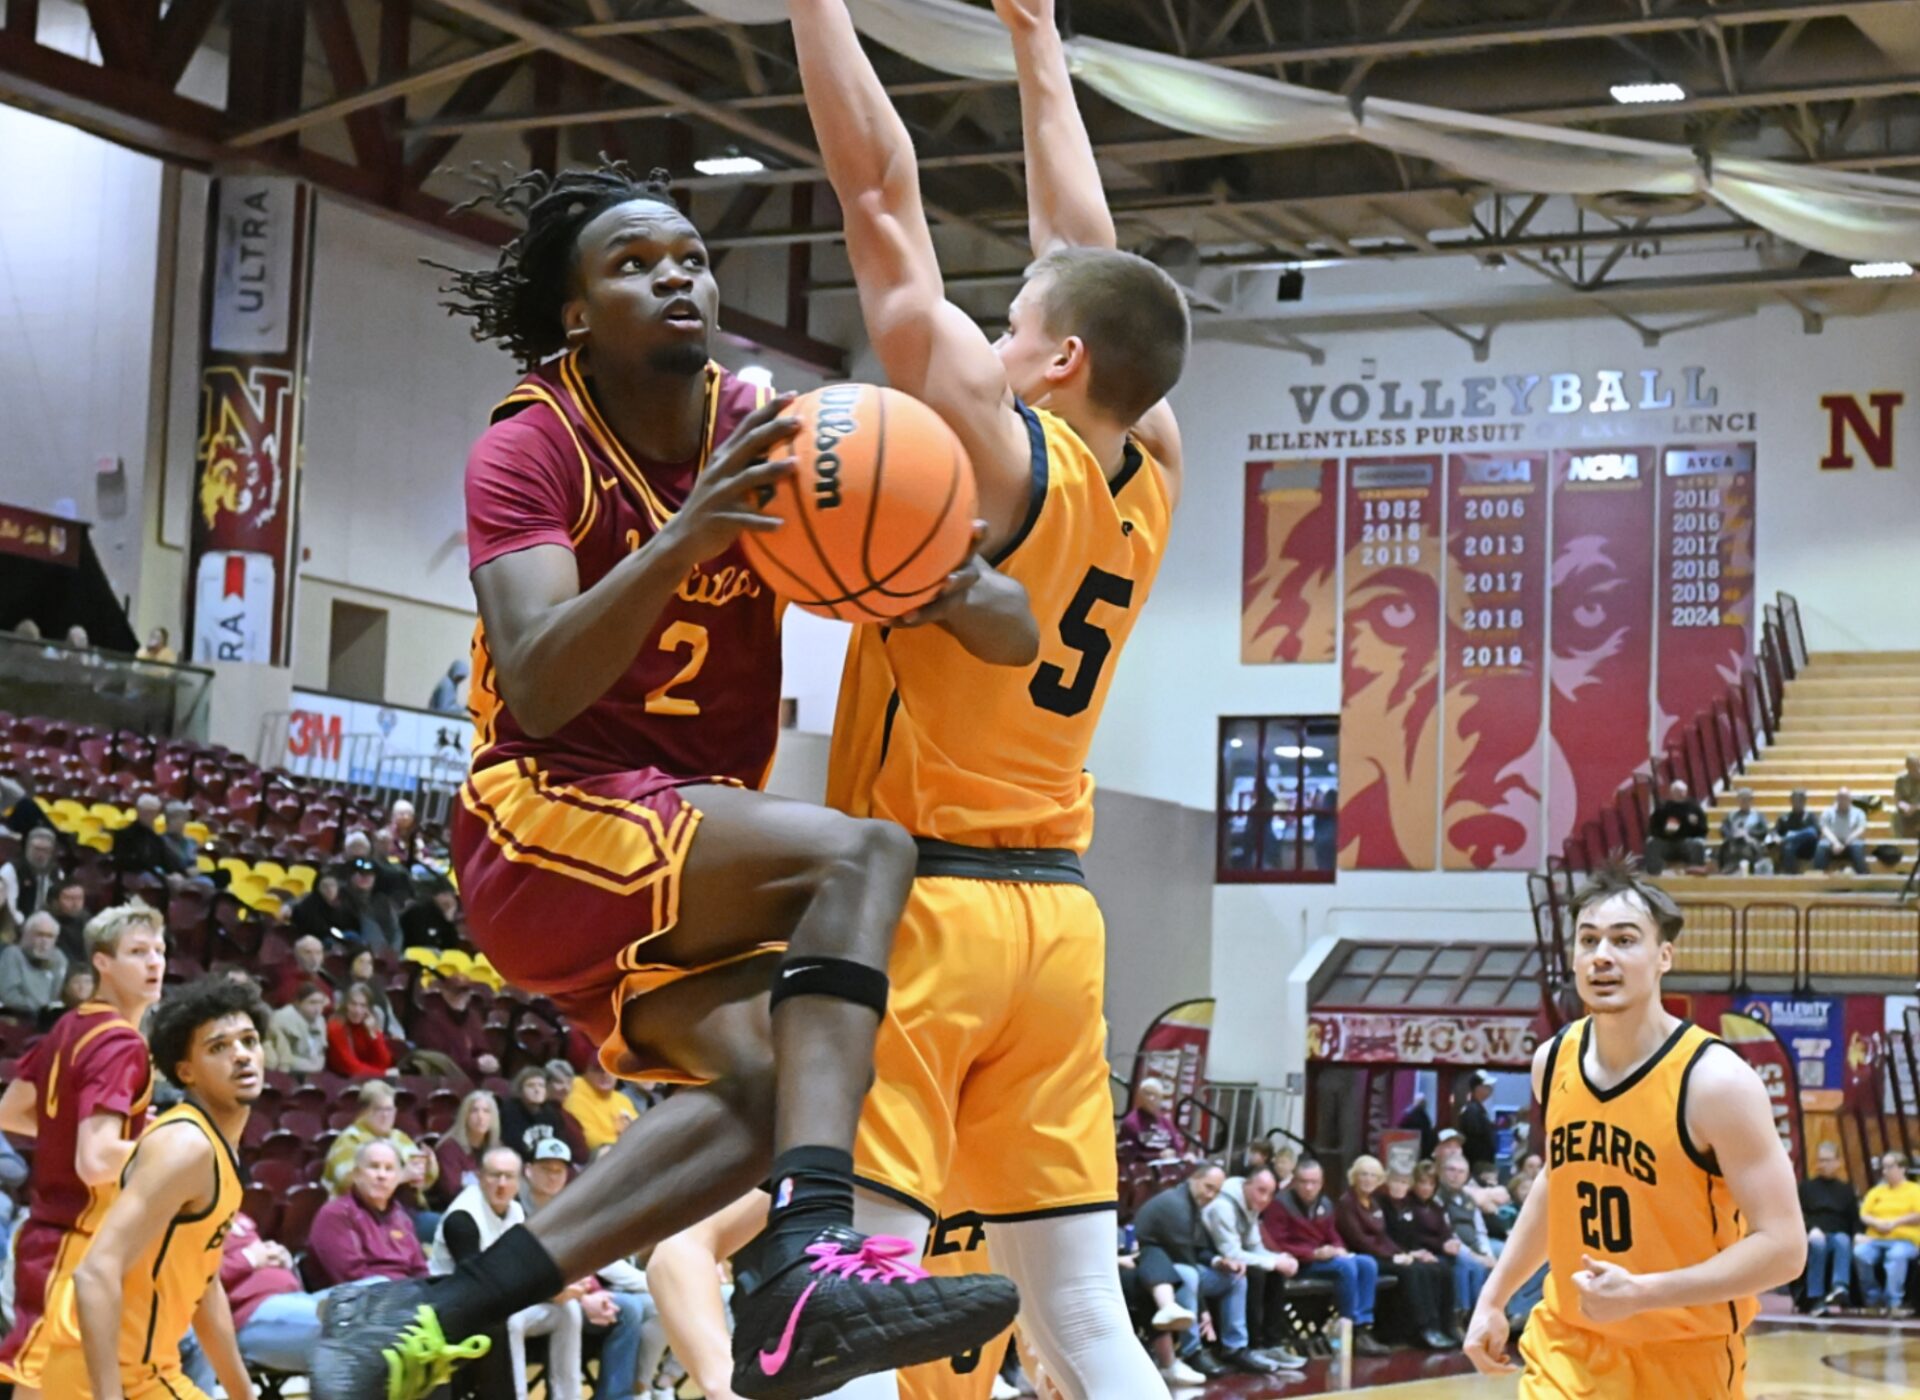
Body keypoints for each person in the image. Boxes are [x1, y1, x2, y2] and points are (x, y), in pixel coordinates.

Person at [315, 159, 1011, 1400]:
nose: (675, 274)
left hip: (673, 848)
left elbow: (1011, 634)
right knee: (867, 851)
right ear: (577, 312)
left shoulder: (783, 431)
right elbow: (534, 680)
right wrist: (691, 531)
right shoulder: (532, 446)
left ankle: (439, 1311)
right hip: (545, 820)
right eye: (633, 263)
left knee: (762, 1084)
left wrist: (957, 583)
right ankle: (805, 1249)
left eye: (690, 255)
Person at [790, 1, 1191, 1396]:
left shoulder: (1008, 460)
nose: (1003, 333)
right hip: (1061, 923)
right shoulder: (1156, 466)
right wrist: (1037, 42)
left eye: (1017, 327)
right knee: (1084, 1319)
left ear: (1060, 363)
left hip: (931, 909)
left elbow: (877, 193)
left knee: (858, 1300)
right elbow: (1088, 258)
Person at [1464, 862, 1805, 1395]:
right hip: (1568, 1344)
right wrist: (1494, 1297)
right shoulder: (1552, 1062)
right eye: (1589, 940)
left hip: (1682, 1357)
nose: (1603, 956)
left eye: (1625, 940)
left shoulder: (1715, 1083)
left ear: (1663, 956)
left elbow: (1785, 1247)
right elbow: (1559, 1184)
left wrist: (1645, 1292)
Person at [38, 976, 267, 1400]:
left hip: (117, 1368)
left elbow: (205, 1287)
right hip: (115, 1376)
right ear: (186, 1072)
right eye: (218, 1047)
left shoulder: (215, 1149)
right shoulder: (187, 1146)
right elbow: (95, 1272)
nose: (240, 1055)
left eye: (249, 1041)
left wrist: (243, 1394)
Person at [0, 902, 165, 1397]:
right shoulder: (120, 1043)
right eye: (138, 952)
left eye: (160, 950)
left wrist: (100, 1135)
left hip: (48, 1234)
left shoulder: (70, 1026)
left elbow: (10, 1111)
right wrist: (160, 1145)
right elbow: (95, 1162)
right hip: (77, 1239)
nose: (155, 962)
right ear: (101, 962)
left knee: (46, 1380)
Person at [433, 1146, 583, 1400]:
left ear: (519, 1180)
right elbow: (475, 1289)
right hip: (456, 1308)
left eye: (509, 1176)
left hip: (500, 1300)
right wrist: (545, 1292)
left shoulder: (514, 1211)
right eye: (495, 1175)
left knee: (569, 1310)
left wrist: (556, 1291)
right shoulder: (462, 1217)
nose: (502, 1184)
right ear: (479, 1177)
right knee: (508, 1320)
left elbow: (526, 1268)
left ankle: (568, 1396)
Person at [1132, 1164, 1281, 1378]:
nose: (1211, 1195)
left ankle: (1235, 1347)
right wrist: (1203, 1312)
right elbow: (1186, 1258)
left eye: (1216, 1191)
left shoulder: (1193, 1203)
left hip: (1177, 1264)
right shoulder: (1177, 1206)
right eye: (1208, 1187)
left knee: (1236, 1276)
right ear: (1194, 1179)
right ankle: (1192, 1351)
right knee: (1190, 1276)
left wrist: (1219, 1261)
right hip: (1154, 1269)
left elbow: (1198, 1249)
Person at [1261, 1158, 1391, 1355]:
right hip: (1296, 1263)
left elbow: (1333, 1234)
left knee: (1367, 1263)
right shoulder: (1280, 1204)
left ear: (1321, 1183)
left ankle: (1363, 1326)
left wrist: (1339, 1248)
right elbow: (1275, 1243)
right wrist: (1312, 1254)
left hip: (1322, 1258)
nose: (1309, 1187)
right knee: (1345, 1267)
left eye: (1314, 1182)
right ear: (1295, 1182)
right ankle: (1348, 1326)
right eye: (1304, 1182)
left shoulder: (1325, 1203)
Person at [1335, 1155, 1457, 1350]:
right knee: (1412, 1270)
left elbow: (1383, 1237)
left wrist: (1404, 1253)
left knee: (1431, 1267)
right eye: (1364, 1175)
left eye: (1373, 1176)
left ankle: (1442, 1324)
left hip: (1380, 1255)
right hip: (1363, 1258)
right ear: (1354, 1176)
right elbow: (1360, 1239)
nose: (1368, 1179)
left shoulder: (1371, 1202)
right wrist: (1394, 1257)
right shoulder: (1347, 1202)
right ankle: (1422, 1328)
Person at [1199, 1166, 1307, 1370]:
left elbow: (1254, 1246)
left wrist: (1279, 1259)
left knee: (1274, 1273)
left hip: (1228, 1260)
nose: (1265, 1198)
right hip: (1207, 1260)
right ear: (1246, 1185)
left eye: (1270, 1193)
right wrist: (1273, 1262)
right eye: (1261, 1190)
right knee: (1254, 1273)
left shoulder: (1250, 1204)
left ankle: (1271, 1344)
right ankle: (1252, 1346)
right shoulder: (1222, 1206)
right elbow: (1231, 1253)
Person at [309, 1141, 438, 1291]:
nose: (381, 1175)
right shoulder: (335, 1214)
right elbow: (351, 1279)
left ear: (398, 1178)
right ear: (356, 1174)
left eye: (389, 1169)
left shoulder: (401, 1217)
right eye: (374, 1166)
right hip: (357, 1304)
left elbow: (419, 1270)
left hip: (406, 1300)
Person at [220, 1210, 330, 1374]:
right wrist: (249, 1258)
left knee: (378, 1289)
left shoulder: (237, 1215)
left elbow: (261, 1255)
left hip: (295, 1299)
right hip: (249, 1314)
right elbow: (198, 1279)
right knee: (347, 1325)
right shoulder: (189, 1221)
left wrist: (281, 1257)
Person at [324, 1081, 440, 1207]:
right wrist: (401, 1176)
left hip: (405, 1210)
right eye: (379, 1109)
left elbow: (421, 1182)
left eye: (389, 1109)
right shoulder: (349, 1140)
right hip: (359, 1213)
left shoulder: (399, 1137)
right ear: (364, 1112)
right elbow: (352, 1185)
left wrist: (429, 1168)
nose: (386, 1116)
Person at [1853, 1151, 1920, 1316]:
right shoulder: (1877, 1191)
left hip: (1905, 1239)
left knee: (1896, 1256)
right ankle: (1874, 1300)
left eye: (1890, 1167)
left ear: (1903, 1169)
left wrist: (1895, 1222)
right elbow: (1864, 1213)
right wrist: (1877, 1223)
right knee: (1860, 1253)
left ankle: (1894, 1303)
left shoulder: (1915, 1190)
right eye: (1883, 1168)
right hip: (1876, 1238)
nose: (1885, 1172)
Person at [1799, 1140, 1859, 1315]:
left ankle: (1839, 1287)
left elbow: (1854, 1218)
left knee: (1843, 1240)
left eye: (1828, 1160)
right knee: (1818, 1244)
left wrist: (1858, 1234)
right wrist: (1810, 1229)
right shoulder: (1806, 1187)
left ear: (1838, 1162)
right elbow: (1799, 1214)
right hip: (1815, 1233)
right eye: (1821, 1160)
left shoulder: (1846, 1189)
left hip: (1838, 1233)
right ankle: (1815, 1299)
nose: (1823, 1164)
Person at [498, 1064, 587, 1164]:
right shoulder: (510, 1111)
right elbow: (514, 1147)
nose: (537, 1090)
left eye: (541, 1085)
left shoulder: (551, 1113)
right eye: (531, 1085)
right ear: (520, 1090)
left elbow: (561, 1144)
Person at [435, 1090, 505, 1211]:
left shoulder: (497, 1148)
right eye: (474, 1111)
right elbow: (451, 1192)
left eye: (486, 1111)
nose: (480, 1116)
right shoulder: (448, 1149)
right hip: (458, 1210)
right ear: (464, 1116)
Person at [0, 912, 67, 1024]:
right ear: (27, 935)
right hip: (17, 1017)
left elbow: (56, 996)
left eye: (50, 936)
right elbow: (9, 996)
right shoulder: (13, 954)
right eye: (39, 935)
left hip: (47, 1019)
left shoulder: (59, 958)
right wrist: (39, 1007)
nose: (44, 941)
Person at [111, 793, 190, 881]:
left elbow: (167, 860)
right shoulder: (124, 834)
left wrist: (180, 873)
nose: (150, 816)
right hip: (133, 876)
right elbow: (125, 862)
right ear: (138, 811)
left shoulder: (155, 838)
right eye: (146, 812)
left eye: (153, 813)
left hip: (153, 875)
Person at [564, 1060, 638, 1153]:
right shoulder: (575, 1098)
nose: (605, 1075)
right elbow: (591, 1140)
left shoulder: (623, 1099)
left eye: (610, 1070)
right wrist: (626, 1142)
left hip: (628, 1151)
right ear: (587, 1072)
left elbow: (641, 1130)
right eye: (598, 1070)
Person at [327, 980, 396, 1077]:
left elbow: (384, 1062)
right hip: (341, 1079)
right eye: (353, 1004)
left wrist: (373, 1035)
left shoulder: (369, 1023)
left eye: (363, 1005)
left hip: (367, 1077)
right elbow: (350, 1067)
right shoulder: (335, 1027)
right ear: (346, 1004)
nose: (357, 1011)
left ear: (368, 1008)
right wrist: (383, 1074)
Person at [1643, 779, 1708, 875]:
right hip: (1667, 843)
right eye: (1677, 791)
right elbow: (1653, 829)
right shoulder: (1663, 809)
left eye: (1682, 791)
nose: (1680, 794)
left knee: (1698, 844)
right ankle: (1654, 872)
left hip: (1687, 843)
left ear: (1686, 792)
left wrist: (1694, 826)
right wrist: (1665, 832)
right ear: (1671, 793)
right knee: (1652, 843)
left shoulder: (1694, 808)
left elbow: (1703, 830)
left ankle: (1696, 869)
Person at [1117, 1077, 1191, 1161]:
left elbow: (1177, 1148)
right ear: (1139, 1097)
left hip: (1168, 1167)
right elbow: (1129, 1155)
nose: (1151, 1098)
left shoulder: (1165, 1122)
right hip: (1143, 1170)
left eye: (1155, 1095)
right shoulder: (1131, 1123)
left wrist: (1184, 1156)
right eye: (1147, 1093)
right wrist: (1158, 1155)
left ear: (1161, 1099)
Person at [267, 980, 332, 1074]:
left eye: (320, 1003)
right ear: (298, 1003)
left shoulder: (320, 1020)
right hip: (285, 1073)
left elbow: (320, 1053)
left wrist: (317, 1065)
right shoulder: (282, 1018)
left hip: (314, 1071)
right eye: (312, 1002)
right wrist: (312, 1066)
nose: (318, 1008)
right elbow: (281, 1057)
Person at [3, 827, 62, 925]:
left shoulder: (56, 872)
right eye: (37, 849)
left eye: (45, 850)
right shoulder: (11, 870)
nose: (40, 855)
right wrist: (25, 924)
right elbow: (8, 906)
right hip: (16, 923)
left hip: (47, 923)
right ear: (28, 847)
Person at [291, 875, 358, 949]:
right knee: (329, 942)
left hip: (339, 934)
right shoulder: (310, 904)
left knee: (353, 935)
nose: (329, 889)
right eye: (324, 886)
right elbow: (318, 929)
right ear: (318, 888)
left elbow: (351, 922)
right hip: (319, 938)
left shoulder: (345, 900)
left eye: (332, 885)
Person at [1715, 788, 1772, 873]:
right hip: (1733, 843)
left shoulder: (1758, 815)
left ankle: (1748, 870)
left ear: (1751, 800)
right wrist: (1733, 834)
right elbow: (1723, 829)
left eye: (1747, 799)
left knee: (1747, 849)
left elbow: (1764, 830)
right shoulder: (1731, 815)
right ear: (1738, 800)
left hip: (1751, 843)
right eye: (1741, 799)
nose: (1744, 802)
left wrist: (1748, 833)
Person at [1815, 787, 1870, 875]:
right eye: (1840, 798)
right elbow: (1824, 828)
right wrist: (1835, 842)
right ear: (1836, 799)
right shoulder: (1828, 812)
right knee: (1821, 846)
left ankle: (1863, 876)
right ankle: (1817, 875)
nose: (1843, 801)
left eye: (1845, 798)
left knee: (1857, 846)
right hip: (1832, 843)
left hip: (1851, 842)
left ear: (1850, 800)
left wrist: (1848, 840)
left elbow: (1861, 829)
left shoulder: (1859, 813)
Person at [401, 879, 465, 952]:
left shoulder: (447, 919)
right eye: (444, 894)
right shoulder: (419, 913)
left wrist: (449, 919)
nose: (448, 899)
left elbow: (451, 946)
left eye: (451, 895)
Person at [1457, 1071, 1498, 1169]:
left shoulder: (1479, 1110)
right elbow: (1474, 1142)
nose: (1490, 1090)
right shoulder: (1472, 1111)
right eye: (1487, 1086)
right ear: (1478, 1088)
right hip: (1478, 1164)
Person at [1774, 789, 1821, 874]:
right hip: (1791, 849)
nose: (1798, 802)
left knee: (1810, 831)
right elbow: (1774, 832)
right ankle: (1790, 877)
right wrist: (1776, 837)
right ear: (1791, 801)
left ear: (1805, 801)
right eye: (1796, 800)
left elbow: (1816, 833)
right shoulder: (1784, 817)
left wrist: (1790, 837)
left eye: (1801, 800)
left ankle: (1788, 838)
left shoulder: (1810, 816)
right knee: (1789, 847)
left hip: (1807, 849)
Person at [48, 878, 91, 967]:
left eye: (80, 898)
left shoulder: (87, 920)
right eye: (69, 898)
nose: (75, 904)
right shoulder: (45, 923)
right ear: (54, 902)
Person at [1894, 756, 1920, 841]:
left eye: (1917, 765)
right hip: (1908, 809)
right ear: (1907, 767)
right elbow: (1898, 799)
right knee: (1895, 815)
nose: (1916, 769)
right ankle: (1901, 842)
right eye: (1912, 766)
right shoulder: (1901, 779)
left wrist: (1915, 808)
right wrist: (1905, 807)